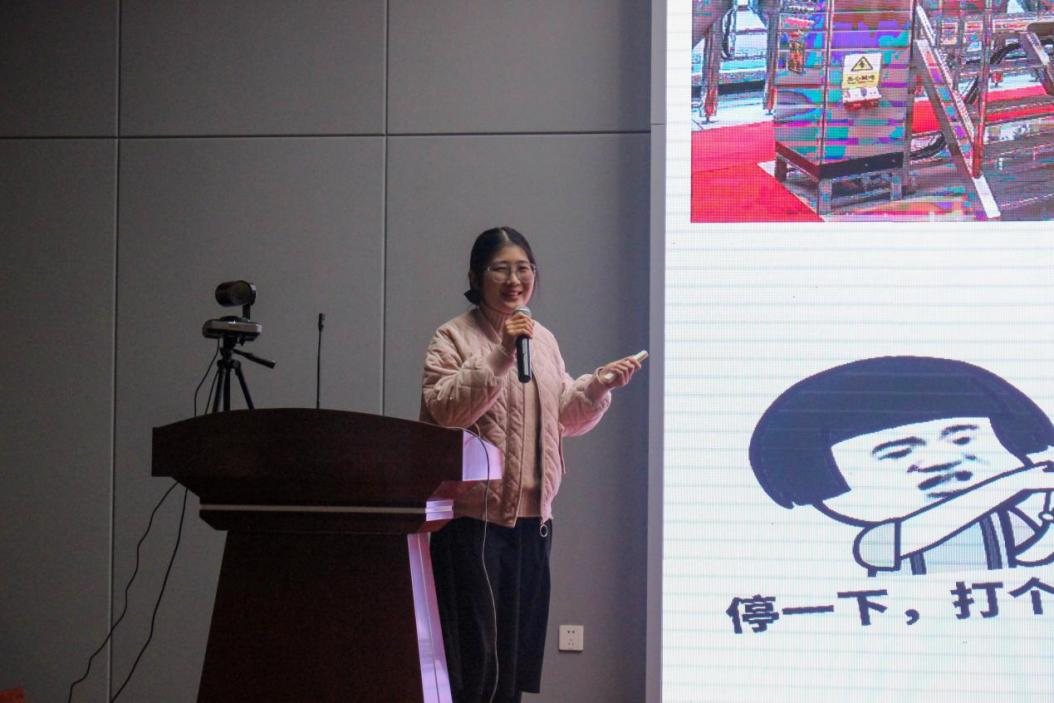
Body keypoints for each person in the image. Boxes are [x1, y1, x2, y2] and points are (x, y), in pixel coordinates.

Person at [420, 226, 641, 703]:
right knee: (475, 661)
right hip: (473, 523)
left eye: (523, 269)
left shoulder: (542, 341)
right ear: (476, 277)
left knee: (515, 658)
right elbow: (444, 412)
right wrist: (501, 353)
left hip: (532, 524)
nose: (514, 280)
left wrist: (597, 386)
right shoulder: (453, 337)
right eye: (501, 269)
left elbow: (564, 416)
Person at [749, 356, 1054, 575]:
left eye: (962, 439)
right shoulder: (881, 540)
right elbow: (908, 536)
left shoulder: (1003, 521)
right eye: (896, 453)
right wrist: (1014, 483)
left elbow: (1030, 557)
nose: (939, 462)